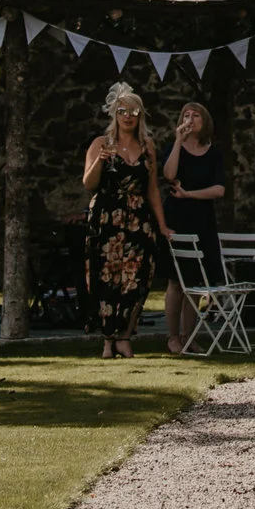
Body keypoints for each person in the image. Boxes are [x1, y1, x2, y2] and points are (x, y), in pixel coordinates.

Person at [82, 83, 170, 359]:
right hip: (107, 218)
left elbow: (153, 189)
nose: (128, 116)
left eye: (133, 111)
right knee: (105, 278)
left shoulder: (147, 147)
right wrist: (100, 161)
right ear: (114, 114)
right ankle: (107, 340)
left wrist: (162, 225)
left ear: (140, 115)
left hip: (138, 219)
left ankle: (124, 337)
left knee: (136, 278)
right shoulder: (100, 144)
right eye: (122, 111)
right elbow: (88, 183)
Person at [159, 102, 227, 352]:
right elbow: (168, 174)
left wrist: (189, 194)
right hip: (177, 219)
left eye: (195, 115)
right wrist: (178, 141)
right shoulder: (173, 147)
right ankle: (172, 337)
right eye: (185, 115)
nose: (190, 119)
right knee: (176, 281)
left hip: (202, 219)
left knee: (197, 281)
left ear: (204, 121)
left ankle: (189, 336)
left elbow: (219, 189)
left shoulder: (214, 153)